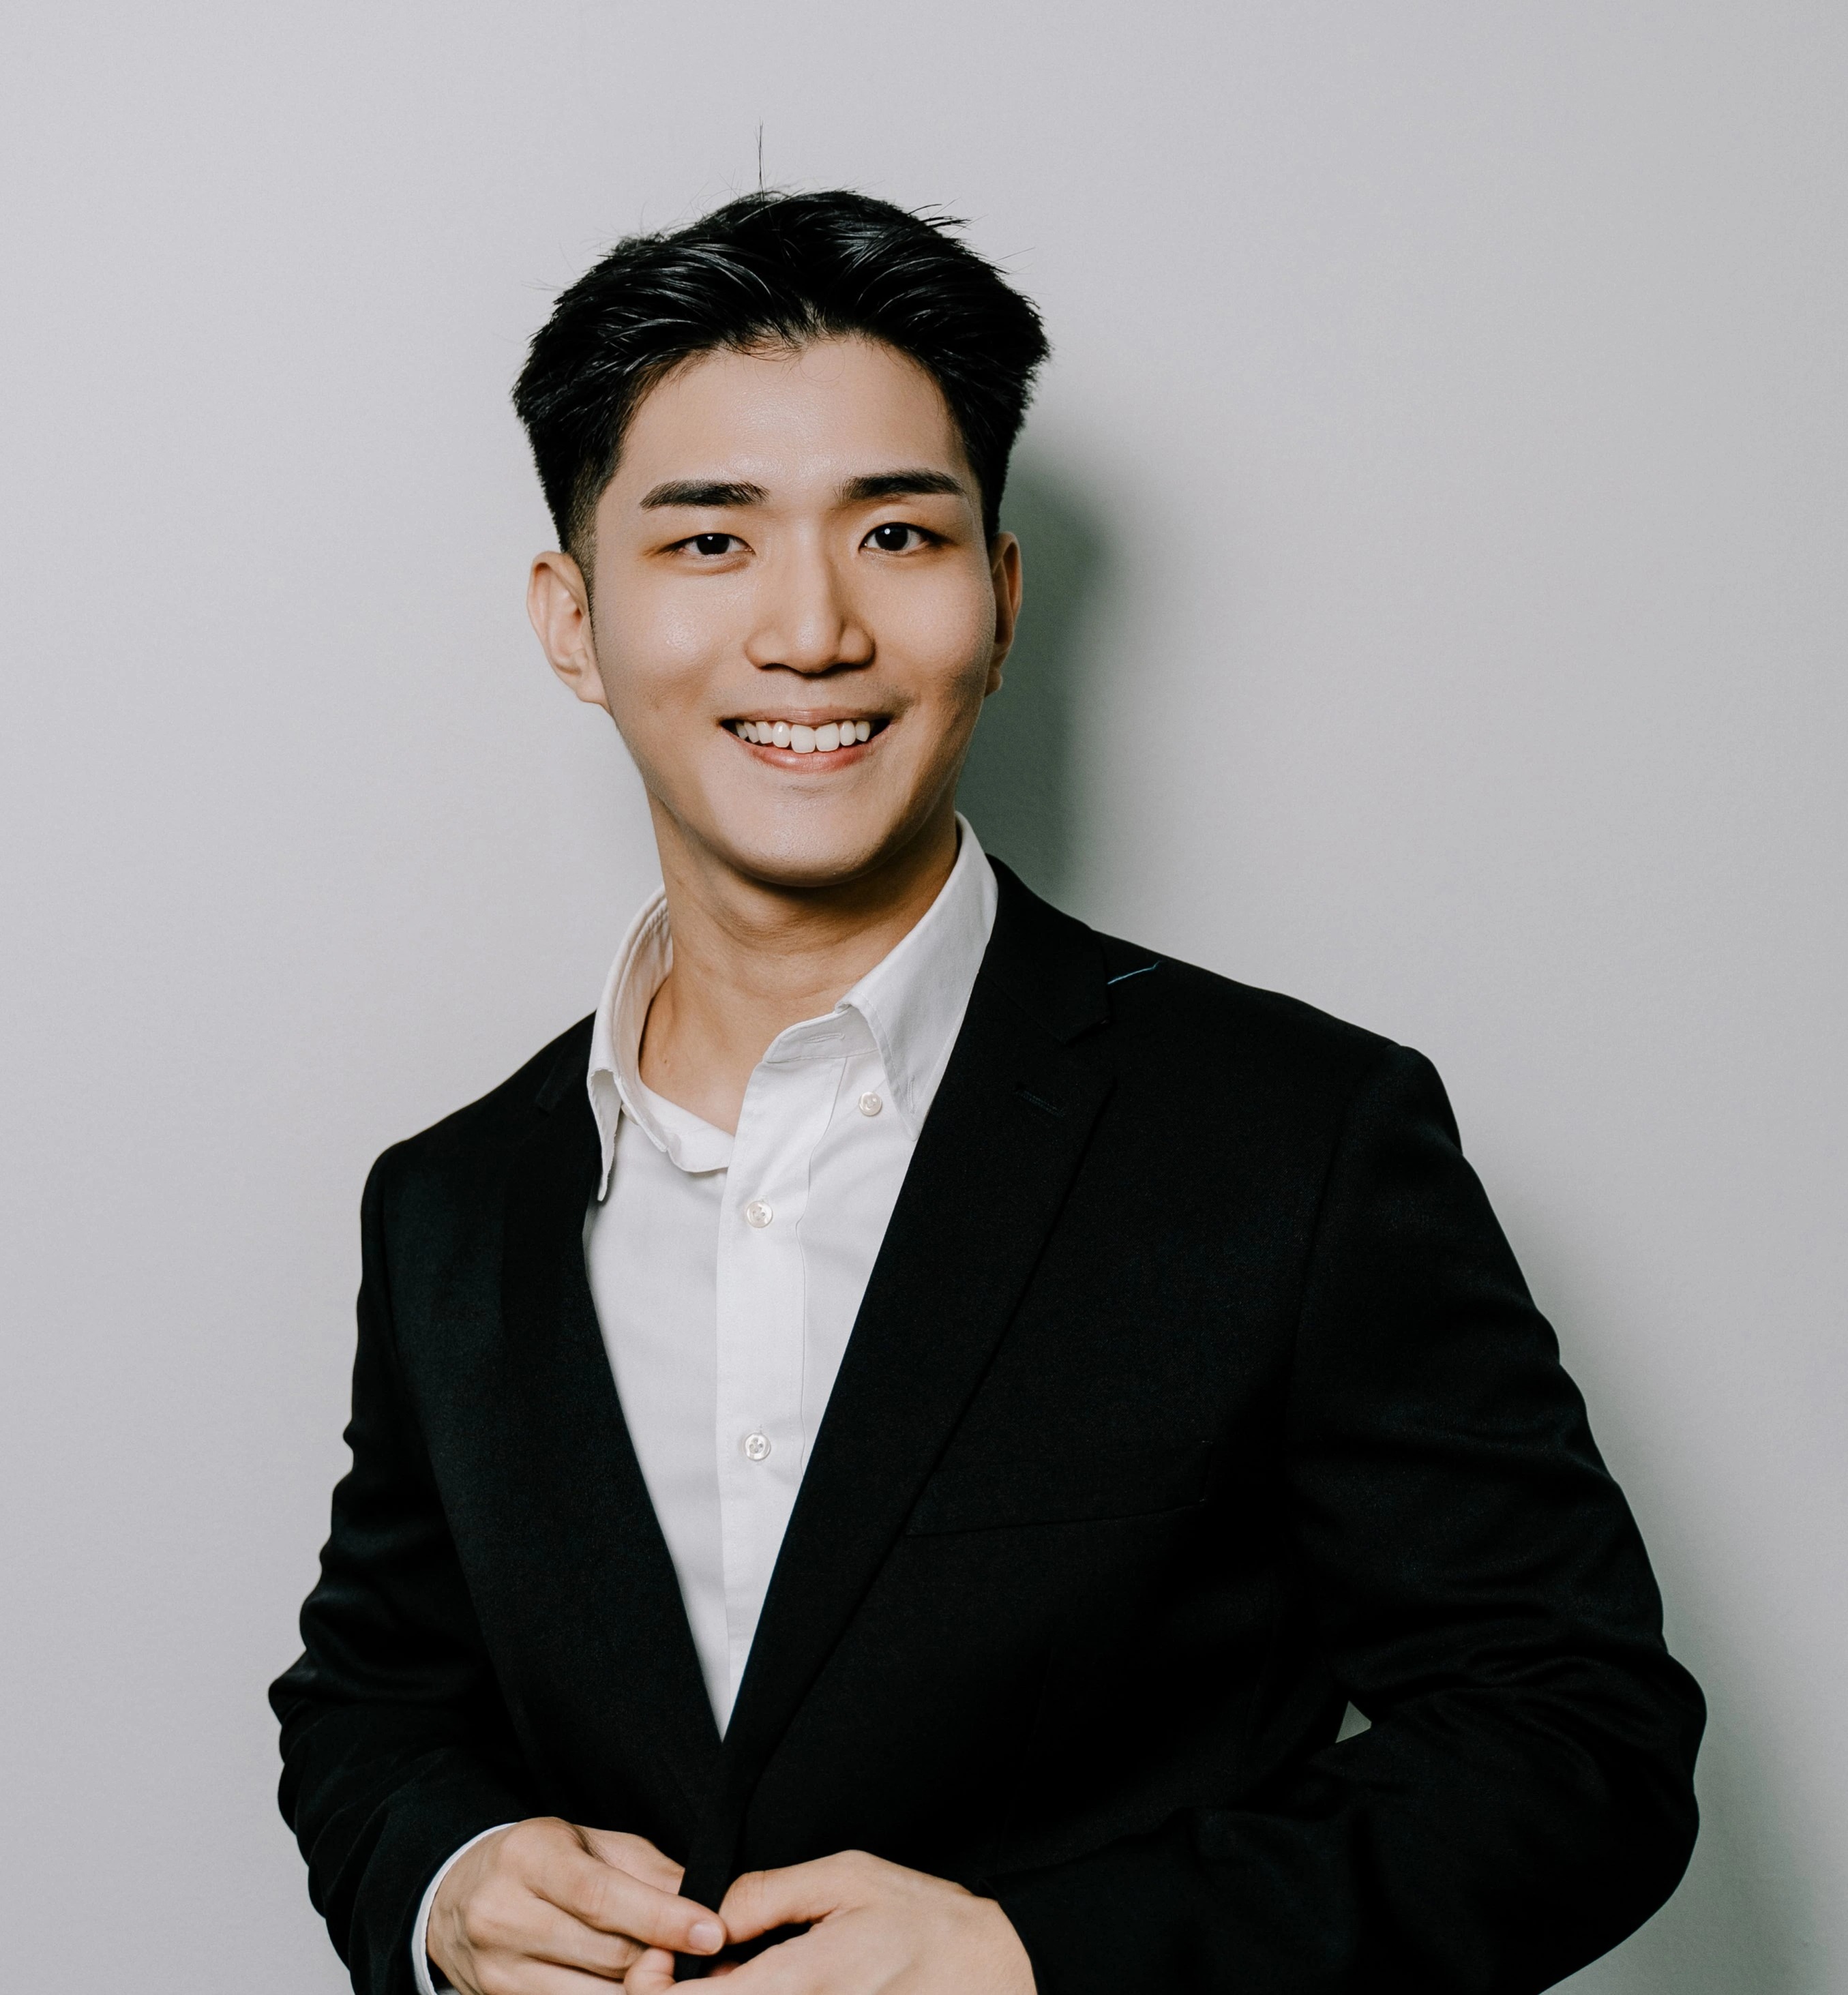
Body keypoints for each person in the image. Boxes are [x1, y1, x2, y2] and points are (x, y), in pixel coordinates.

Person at [271, 190, 1704, 1995]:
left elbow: (1577, 1744)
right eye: (709, 541)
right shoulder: (453, 1205)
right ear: (574, 620)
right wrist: (445, 1877)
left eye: (896, 533)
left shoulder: (1295, 1138)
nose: (811, 628)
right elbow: (377, 1698)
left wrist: (1035, 1963)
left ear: (1003, 600)